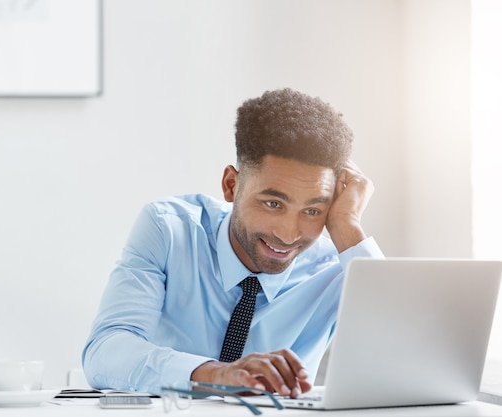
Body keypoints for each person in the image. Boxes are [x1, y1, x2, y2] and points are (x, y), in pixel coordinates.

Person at [82, 88, 384, 398]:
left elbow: (405, 354)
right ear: (231, 185)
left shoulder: (339, 266)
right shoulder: (170, 230)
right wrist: (218, 374)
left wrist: (348, 226)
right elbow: (105, 352)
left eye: (312, 210)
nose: (289, 234)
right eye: (272, 204)